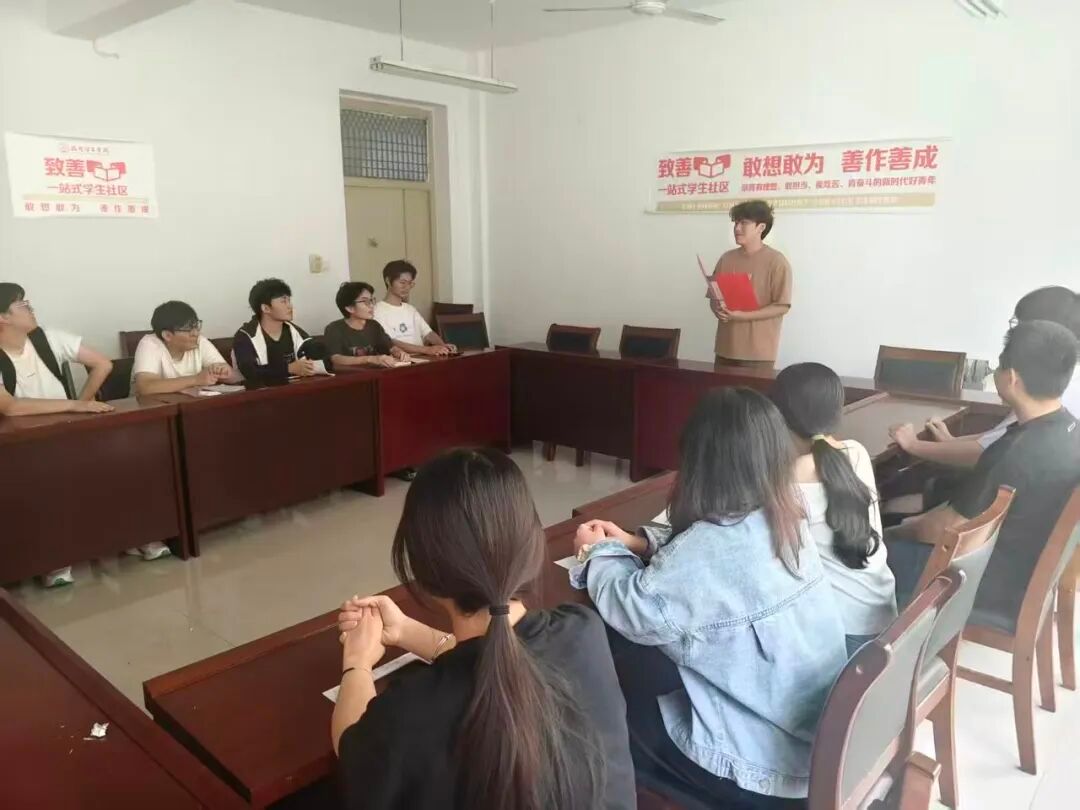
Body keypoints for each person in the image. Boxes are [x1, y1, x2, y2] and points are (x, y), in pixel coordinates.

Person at [572, 387, 845, 807]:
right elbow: (709, 563)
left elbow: (632, 609)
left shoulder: (709, 552)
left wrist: (598, 553)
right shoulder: (787, 514)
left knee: (597, 709)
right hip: (814, 741)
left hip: (758, 765)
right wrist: (639, 543)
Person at [332, 448, 635, 810]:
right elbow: (500, 659)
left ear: (424, 570)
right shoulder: (583, 632)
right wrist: (407, 631)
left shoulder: (409, 715)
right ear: (530, 546)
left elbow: (352, 747)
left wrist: (357, 661)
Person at [885, 322, 1080, 626]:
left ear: (1011, 378)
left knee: (862, 556)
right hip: (1024, 576)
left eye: (999, 366)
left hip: (984, 585)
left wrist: (894, 532)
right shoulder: (1070, 430)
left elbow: (947, 531)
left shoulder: (1016, 451)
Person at [771, 362, 897, 656]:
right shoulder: (856, 452)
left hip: (842, 638)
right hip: (883, 620)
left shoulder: (787, 479)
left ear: (777, 417)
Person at [890, 286, 1080, 469]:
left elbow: (986, 453)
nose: (1013, 332)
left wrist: (914, 445)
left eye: (1020, 324)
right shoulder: (1059, 378)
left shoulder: (1052, 390)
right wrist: (951, 441)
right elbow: (1001, 437)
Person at [0, 282, 114, 587]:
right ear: (3, 317)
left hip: (64, 435)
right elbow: (10, 408)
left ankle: (129, 537)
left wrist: (82, 405)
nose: (31, 308)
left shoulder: (47, 338)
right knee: (41, 485)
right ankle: (52, 559)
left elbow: (102, 363)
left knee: (118, 464)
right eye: (22, 305)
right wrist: (76, 405)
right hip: (16, 445)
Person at [710, 200, 792, 370]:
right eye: (736, 223)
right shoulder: (726, 258)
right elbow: (714, 296)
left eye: (744, 223)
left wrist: (742, 316)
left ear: (761, 227)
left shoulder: (776, 261)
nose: (737, 228)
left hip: (758, 353)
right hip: (725, 349)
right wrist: (717, 310)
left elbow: (782, 306)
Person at [133, 300, 239, 396]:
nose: (196, 333)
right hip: (152, 407)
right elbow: (146, 387)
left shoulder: (199, 341)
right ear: (167, 335)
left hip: (189, 404)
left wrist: (225, 372)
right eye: (188, 329)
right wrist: (196, 379)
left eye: (196, 326)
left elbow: (235, 377)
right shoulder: (150, 344)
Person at [233, 278, 319, 386]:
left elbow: (317, 353)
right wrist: (288, 368)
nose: (290, 306)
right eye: (283, 301)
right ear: (266, 308)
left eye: (289, 300)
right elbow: (250, 371)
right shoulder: (245, 336)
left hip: (295, 389)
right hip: (260, 393)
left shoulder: (293, 330)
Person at [373, 260, 456, 357]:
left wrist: (443, 346)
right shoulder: (377, 311)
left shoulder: (410, 309)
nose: (406, 287)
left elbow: (428, 333)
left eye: (410, 283)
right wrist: (427, 349)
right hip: (400, 361)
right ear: (388, 280)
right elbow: (391, 342)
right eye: (402, 282)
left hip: (423, 358)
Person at [324, 282, 410, 369]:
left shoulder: (374, 325)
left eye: (371, 300)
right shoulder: (334, 329)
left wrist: (399, 353)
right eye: (365, 302)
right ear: (350, 308)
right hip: (350, 376)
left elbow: (390, 347)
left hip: (376, 374)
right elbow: (336, 359)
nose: (372, 305)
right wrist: (370, 359)